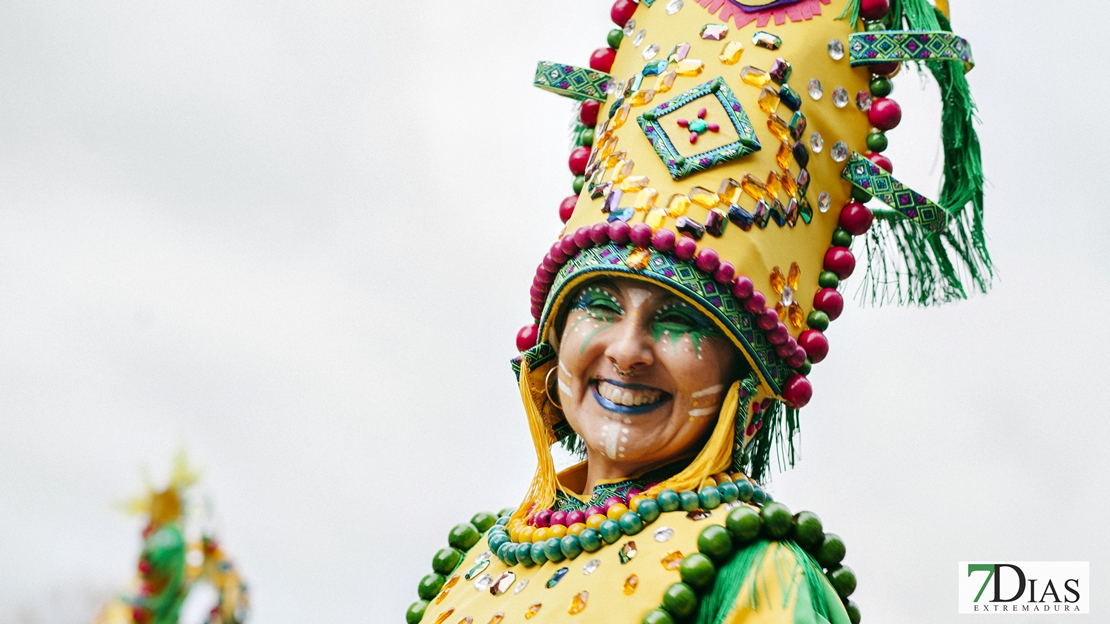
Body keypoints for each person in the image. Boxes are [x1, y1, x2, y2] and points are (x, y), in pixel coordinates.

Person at [407, 0, 987, 621]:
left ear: (742, 370)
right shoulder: (475, 564)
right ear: (553, 336)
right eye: (601, 305)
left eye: (678, 319)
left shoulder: (756, 570)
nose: (627, 352)